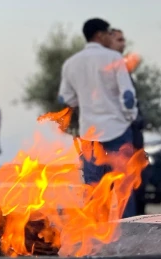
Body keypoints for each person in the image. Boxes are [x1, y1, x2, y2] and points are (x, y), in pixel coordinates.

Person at [58, 17, 139, 216]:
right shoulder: (114, 58)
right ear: (100, 35)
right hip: (117, 130)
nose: (110, 37)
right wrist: (129, 116)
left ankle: (96, 233)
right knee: (123, 188)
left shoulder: (71, 63)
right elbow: (128, 96)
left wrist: (83, 104)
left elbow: (65, 98)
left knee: (93, 189)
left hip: (90, 132)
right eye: (108, 33)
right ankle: (129, 231)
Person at [110, 27, 148, 215]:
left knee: (135, 187)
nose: (123, 44)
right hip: (116, 139)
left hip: (132, 138)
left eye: (123, 40)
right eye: (119, 40)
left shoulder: (123, 69)